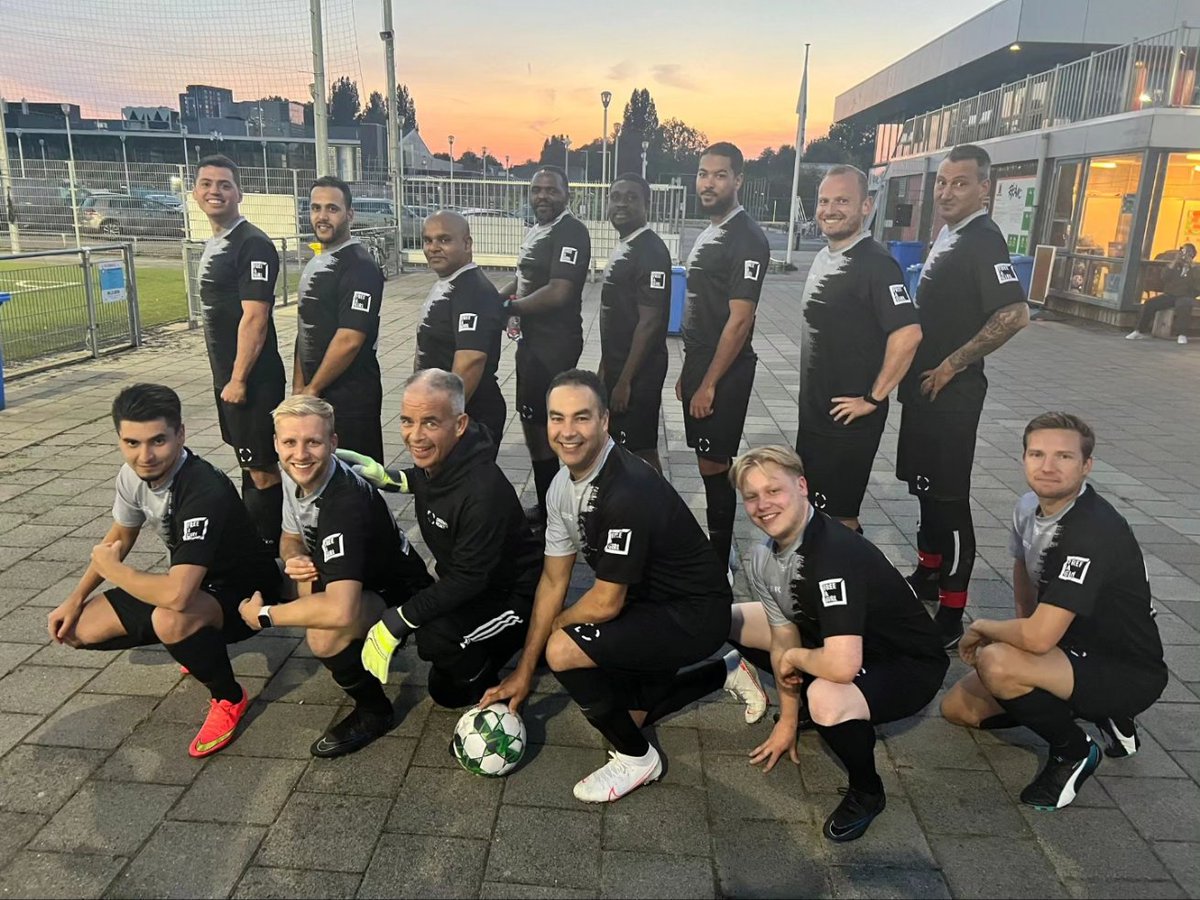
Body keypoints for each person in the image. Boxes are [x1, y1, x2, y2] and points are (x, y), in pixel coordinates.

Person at [481, 370, 733, 803]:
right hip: (648, 601)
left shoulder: (626, 490)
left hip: (694, 612)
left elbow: (604, 603)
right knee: (623, 712)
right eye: (556, 418)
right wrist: (523, 672)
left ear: (604, 422)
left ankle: (638, 760)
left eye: (581, 418)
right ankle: (728, 670)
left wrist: (554, 634)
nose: (567, 432)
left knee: (564, 649)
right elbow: (554, 578)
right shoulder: (562, 485)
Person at [941, 413, 1167, 810]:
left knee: (997, 662)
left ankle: (1075, 750)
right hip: (1070, 646)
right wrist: (1023, 628)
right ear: (1024, 458)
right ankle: (1095, 711)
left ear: (1086, 466)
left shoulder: (1092, 530)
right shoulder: (1029, 505)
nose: (1047, 466)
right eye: (1037, 453)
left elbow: (1039, 638)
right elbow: (1024, 568)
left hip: (1125, 667)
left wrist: (985, 628)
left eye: (1064, 456)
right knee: (959, 709)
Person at [725, 446, 946, 841]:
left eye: (774, 491)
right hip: (836, 636)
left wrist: (795, 657)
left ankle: (867, 791)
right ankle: (806, 711)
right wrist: (787, 721)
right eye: (752, 496)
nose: (763, 505)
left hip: (905, 663)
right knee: (730, 619)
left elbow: (838, 665)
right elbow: (782, 637)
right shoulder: (763, 555)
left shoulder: (833, 556)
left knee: (828, 698)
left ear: (802, 486)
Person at [47, 384, 280, 757]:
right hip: (193, 583)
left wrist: (113, 569)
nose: (145, 456)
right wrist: (74, 599)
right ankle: (195, 647)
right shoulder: (131, 475)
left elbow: (176, 595)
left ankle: (228, 697)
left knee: (171, 618)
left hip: (246, 595)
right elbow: (120, 537)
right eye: (132, 443)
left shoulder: (203, 489)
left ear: (181, 434)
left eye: (158, 441)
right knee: (76, 630)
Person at [333, 369, 543, 706]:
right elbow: (423, 480)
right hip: (475, 581)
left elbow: (468, 579)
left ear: (459, 424)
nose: (415, 436)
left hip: (513, 595)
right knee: (436, 651)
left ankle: (504, 677)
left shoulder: (481, 491)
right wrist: (386, 478)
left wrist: (396, 621)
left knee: (437, 647)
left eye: (430, 423)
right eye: (406, 421)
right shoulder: (448, 456)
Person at [238, 395, 432, 758]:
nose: (300, 454)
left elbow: (341, 610)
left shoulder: (343, 500)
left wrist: (263, 617)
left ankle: (375, 711)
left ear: (333, 443)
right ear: (277, 444)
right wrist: (293, 556)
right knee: (281, 581)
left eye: (313, 442)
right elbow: (291, 536)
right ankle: (364, 650)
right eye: (289, 443)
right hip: (353, 575)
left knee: (324, 634)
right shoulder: (295, 470)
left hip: (401, 592)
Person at [897, 144, 1029, 650]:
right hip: (926, 392)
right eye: (942, 182)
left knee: (948, 500)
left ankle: (952, 612)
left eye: (960, 183)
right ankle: (928, 575)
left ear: (984, 189)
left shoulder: (982, 239)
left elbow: (1014, 315)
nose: (947, 191)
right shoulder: (951, 234)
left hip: (954, 395)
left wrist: (954, 363)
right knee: (926, 489)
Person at [796, 165, 922, 532]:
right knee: (816, 508)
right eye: (823, 200)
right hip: (818, 413)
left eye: (842, 201)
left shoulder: (876, 264)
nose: (829, 209)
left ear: (866, 206)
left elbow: (908, 334)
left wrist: (873, 397)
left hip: (847, 420)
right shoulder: (826, 255)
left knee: (839, 516)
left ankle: (849, 585)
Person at [677, 142, 771, 573]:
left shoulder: (746, 237)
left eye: (719, 175)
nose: (708, 183)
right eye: (702, 173)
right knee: (705, 458)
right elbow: (701, 308)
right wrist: (688, 371)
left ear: (738, 180)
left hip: (725, 370)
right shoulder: (710, 231)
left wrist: (710, 382)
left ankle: (718, 561)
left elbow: (740, 320)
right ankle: (719, 548)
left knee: (715, 461)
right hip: (700, 364)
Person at [192, 154, 286, 553]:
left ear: (239, 193)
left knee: (263, 468)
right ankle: (259, 541)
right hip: (228, 378)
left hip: (251, 380)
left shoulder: (253, 245)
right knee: (249, 463)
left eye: (224, 184)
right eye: (207, 183)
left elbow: (256, 318)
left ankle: (271, 551)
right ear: (195, 191)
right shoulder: (219, 241)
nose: (215, 191)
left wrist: (238, 378)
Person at [498, 166, 591, 523]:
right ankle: (547, 504)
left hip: (556, 344)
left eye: (551, 190)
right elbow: (522, 281)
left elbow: (559, 291)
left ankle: (566, 509)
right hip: (531, 343)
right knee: (532, 419)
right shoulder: (538, 230)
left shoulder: (571, 232)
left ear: (567, 194)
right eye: (536, 190)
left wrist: (511, 308)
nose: (542, 196)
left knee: (555, 426)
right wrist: (496, 302)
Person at [294, 176, 386, 461]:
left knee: (356, 481)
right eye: (316, 208)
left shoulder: (360, 267)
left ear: (350, 214)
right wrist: (299, 387)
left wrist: (312, 388)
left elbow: (350, 339)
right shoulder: (318, 261)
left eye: (332, 209)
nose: (322, 216)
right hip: (315, 394)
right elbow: (305, 328)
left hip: (351, 399)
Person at [414, 211, 508, 450]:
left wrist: (444, 420)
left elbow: (471, 360)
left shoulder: (472, 291)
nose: (433, 247)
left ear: (467, 244)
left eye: (444, 240)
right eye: (428, 240)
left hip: (469, 415)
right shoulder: (451, 282)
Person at [598, 173, 672, 472]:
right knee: (623, 445)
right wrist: (606, 368)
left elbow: (649, 322)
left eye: (631, 197)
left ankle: (660, 512)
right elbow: (619, 318)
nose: (621, 204)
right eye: (616, 197)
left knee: (640, 449)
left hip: (640, 371)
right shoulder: (627, 244)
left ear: (646, 205)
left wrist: (625, 381)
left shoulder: (651, 251)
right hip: (619, 366)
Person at [1126, 243, 1198, 344]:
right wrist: (1174, 262)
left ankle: (1182, 334)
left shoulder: (1196, 269)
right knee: (1149, 303)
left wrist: (1192, 266)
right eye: (1183, 252)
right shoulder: (1174, 266)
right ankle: (1139, 331)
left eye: (1188, 253)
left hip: (1186, 296)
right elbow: (1164, 277)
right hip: (1170, 295)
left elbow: (1197, 284)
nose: (1185, 256)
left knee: (1183, 306)